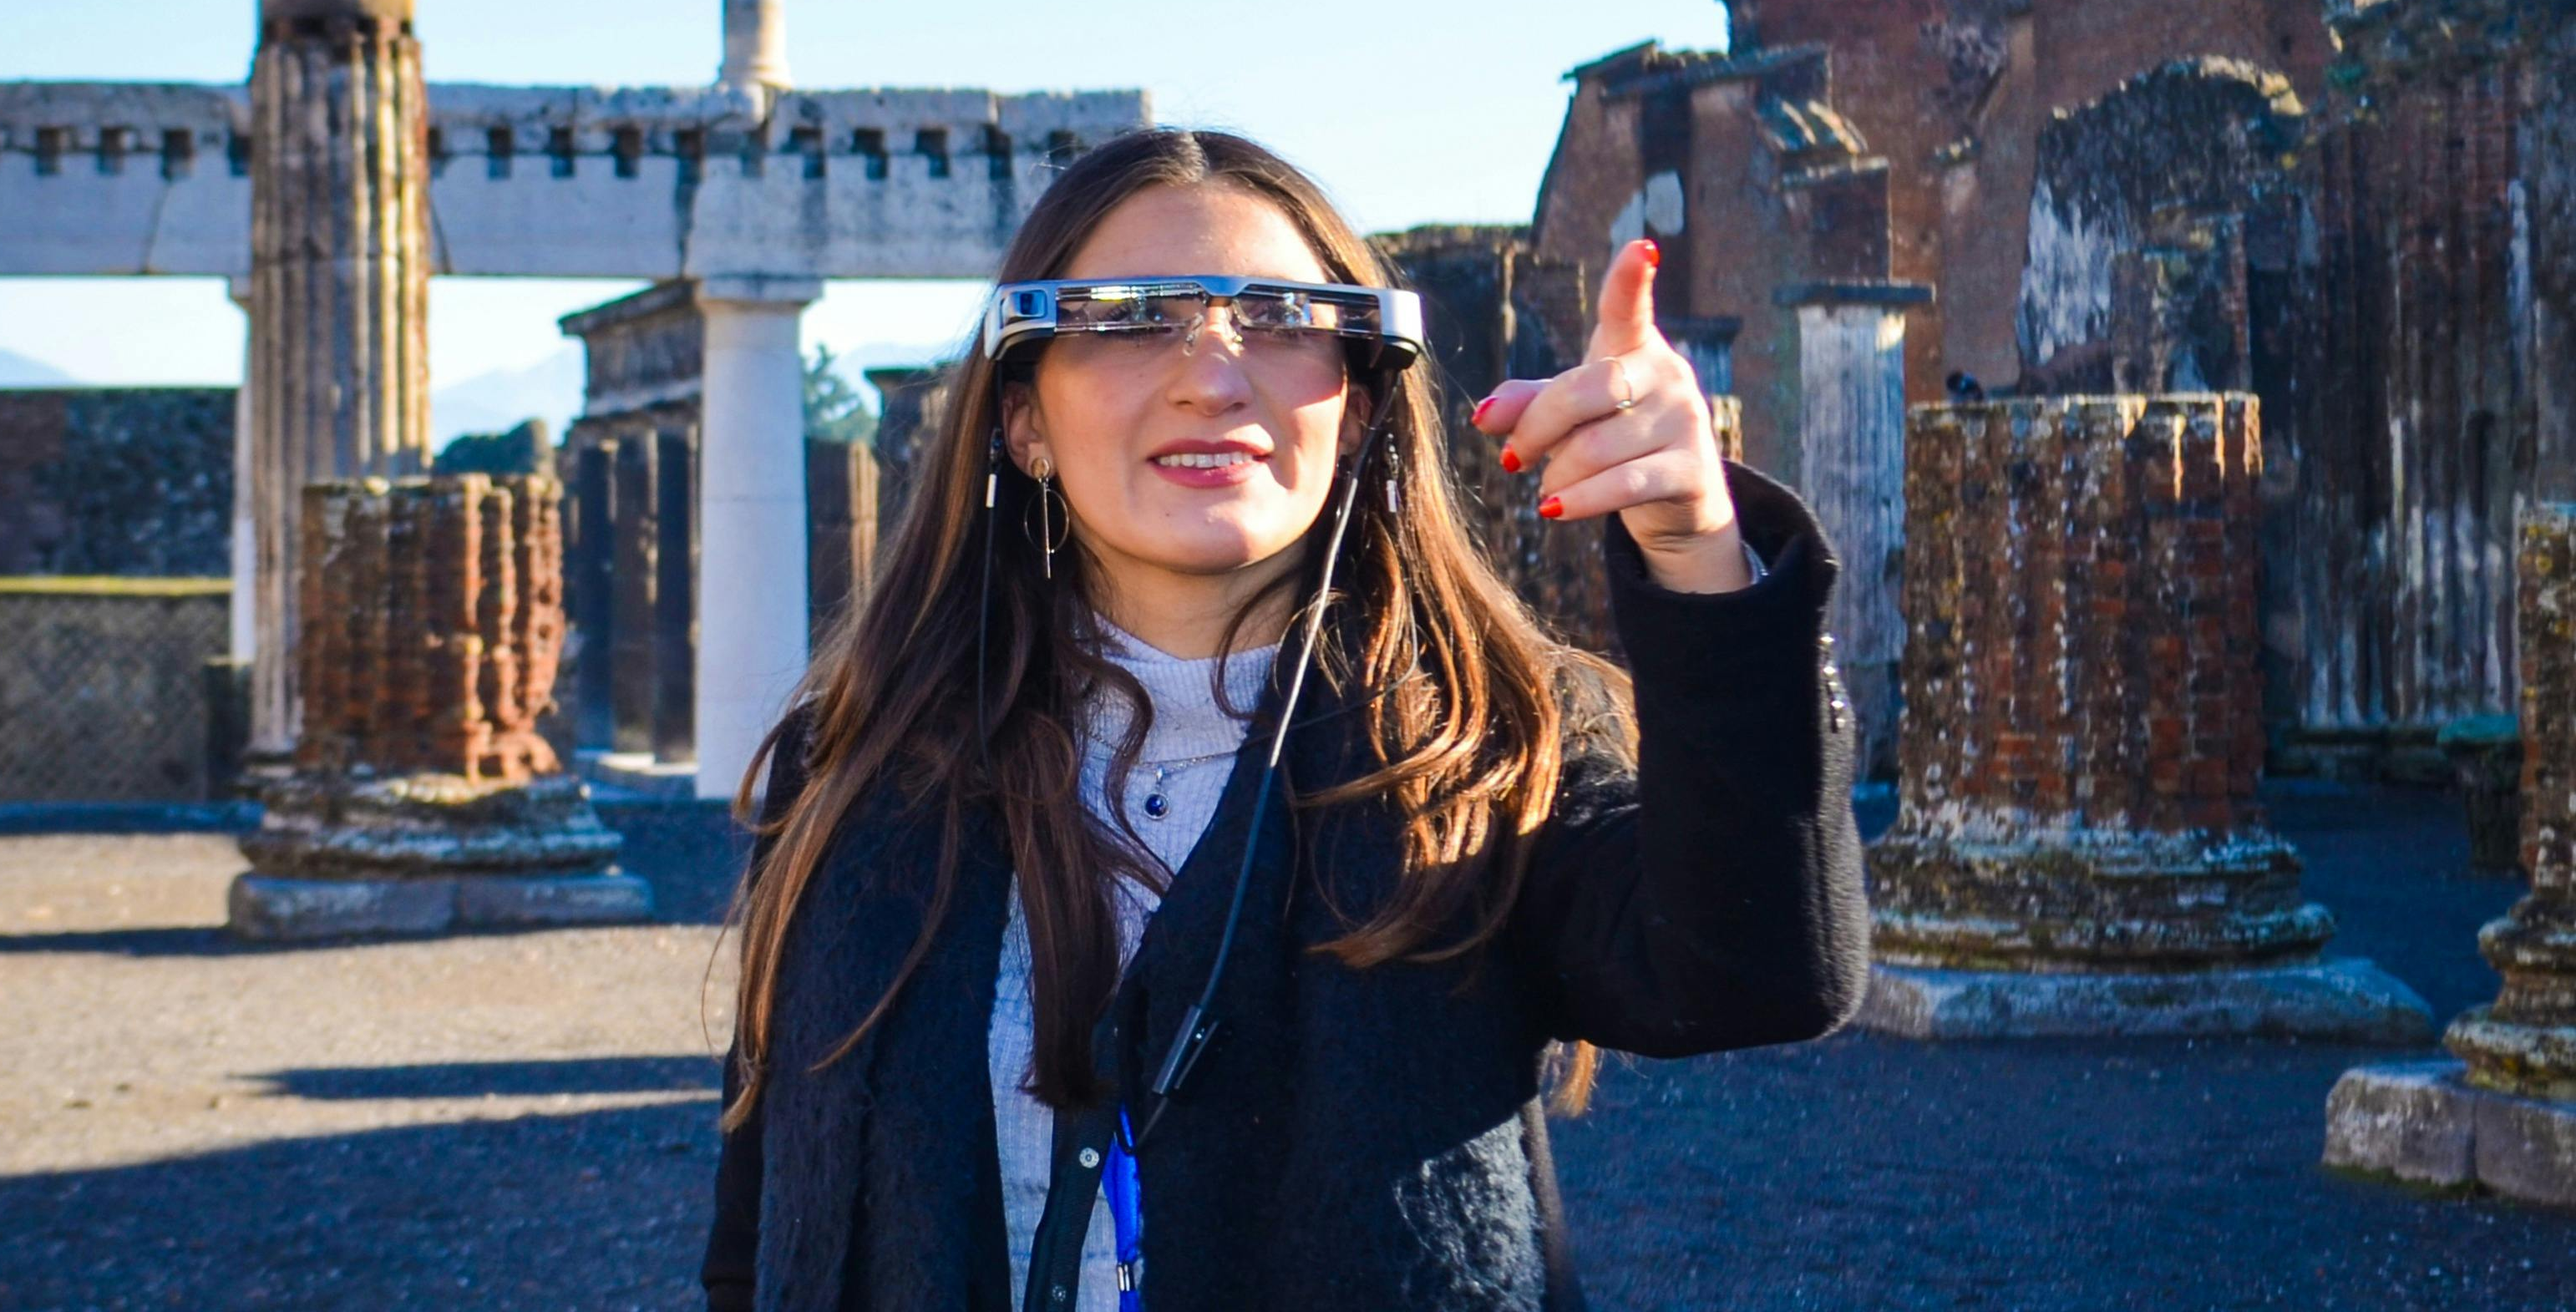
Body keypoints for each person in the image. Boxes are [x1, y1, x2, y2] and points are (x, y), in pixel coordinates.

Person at [702, 127, 1868, 1312]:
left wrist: (1696, 555)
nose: (1214, 371)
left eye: (1279, 317)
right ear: (1024, 422)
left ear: (1357, 410)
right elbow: (765, 1230)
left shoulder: (1487, 736)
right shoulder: (858, 761)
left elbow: (1760, 971)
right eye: (1130, 314)